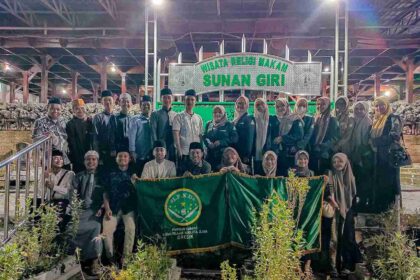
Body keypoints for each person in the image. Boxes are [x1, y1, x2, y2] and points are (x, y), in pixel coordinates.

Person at [327, 153, 362, 275]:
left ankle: (345, 266)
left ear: (345, 162)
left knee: (347, 238)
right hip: (334, 210)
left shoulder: (351, 177)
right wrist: (334, 202)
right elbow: (328, 191)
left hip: (348, 211)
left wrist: (350, 210)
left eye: (340, 161)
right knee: (334, 239)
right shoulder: (330, 175)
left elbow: (353, 195)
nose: (337, 164)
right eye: (335, 162)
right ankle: (333, 267)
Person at [101, 149, 137, 262]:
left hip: (129, 209)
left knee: (131, 229)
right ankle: (111, 258)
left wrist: (135, 183)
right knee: (106, 232)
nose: (122, 158)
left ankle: (126, 260)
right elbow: (105, 193)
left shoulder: (134, 173)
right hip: (113, 208)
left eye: (125, 156)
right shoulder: (110, 174)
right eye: (120, 156)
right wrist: (107, 208)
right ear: (116, 159)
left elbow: (139, 192)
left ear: (129, 159)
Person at [71, 151, 103, 276]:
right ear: (84, 162)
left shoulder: (102, 177)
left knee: (96, 228)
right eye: (88, 159)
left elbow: (106, 194)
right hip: (80, 210)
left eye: (94, 159)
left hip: (96, 210)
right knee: (71, 229)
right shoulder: (78, 176)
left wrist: (101, 207)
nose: (91, 162)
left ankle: (95, 261)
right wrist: (75, 208)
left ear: (97, 161)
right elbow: (73, 194)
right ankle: (77, 259)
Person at [370, 96, 402, 213]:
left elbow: (395, 135)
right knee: (380, 183)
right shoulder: (377, 119)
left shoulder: (393, 118)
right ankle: (380, 210)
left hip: (389, 157)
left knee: (390, 184)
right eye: (377, 105)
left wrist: (376, 141)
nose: (379, 107)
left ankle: (391, 212)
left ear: (387, 105)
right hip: (378, 157)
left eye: (382, 104)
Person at [266, 98, 304, 176]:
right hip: (276, 155)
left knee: (289, 178)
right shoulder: (272, 119)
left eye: (282, 105)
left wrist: (283, 138)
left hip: (290, 154)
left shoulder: (295, 119)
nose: (280, 108)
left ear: (287, 106)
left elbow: (299, 135)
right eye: (277, 106)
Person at [32, 97, 70, 167]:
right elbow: (35, 141)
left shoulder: (65, 121)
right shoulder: (40, 122)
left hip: (64, 159)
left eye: (58, 109)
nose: (55, 111)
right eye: (52, 108)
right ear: (47, 108)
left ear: (61, 109)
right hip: (48, 160)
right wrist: (47, 137)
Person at [350, 101, 373, 211]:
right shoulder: (353, 121)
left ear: (366, 110)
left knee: (364, 179)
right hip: (355, 154)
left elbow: (368, 141)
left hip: (364, 156)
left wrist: (361, 152)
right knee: (357, 179)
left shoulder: (368, 122)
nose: (359, 111)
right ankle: (357, 201)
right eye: (356, 108)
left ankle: (364, 202)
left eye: (361, 109)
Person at [44, 149, 75, 232]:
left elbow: (67, 191)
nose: (59, 160)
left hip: (63, 202)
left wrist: (53, 187)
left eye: (61, 158)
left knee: (57, 224)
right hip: (50, 202)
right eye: (56, 158)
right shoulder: (47, 174)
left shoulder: (69, 174)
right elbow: (41, 191)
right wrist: (45, 178)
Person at [172, 89, 203, 168]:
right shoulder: (178, 116)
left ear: (195, 101)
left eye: (192, 99)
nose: (190, 102)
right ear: (184, 101)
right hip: (184, 153)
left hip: (197, 154)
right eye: (187, 99)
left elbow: (200, 136)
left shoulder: (198, 118)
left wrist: (202, 151)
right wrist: (179, 150)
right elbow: (176, 135)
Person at [309, 97, 340, 175]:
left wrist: (322, 147)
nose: (320, 106)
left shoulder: (332, 120)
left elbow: (334, 137)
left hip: (325, 152)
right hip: (314, 151)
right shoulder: (316, 118)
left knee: (323, 175)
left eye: (323, 104)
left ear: (328, 106)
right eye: (318, 104)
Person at [66, 99, 94, 173]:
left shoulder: (90, 122)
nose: (80, 110)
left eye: (82, 108)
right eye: (77, 109)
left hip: (90, 156)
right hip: (77, 157)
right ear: (73, 110)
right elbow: (71, 142)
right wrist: (77, 158)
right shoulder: (70, 124)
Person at [150, 88, 177, 161]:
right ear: (161, 99)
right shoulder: (155, 114)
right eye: (164, 97)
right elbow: (153, 133)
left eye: (169, 97)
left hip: (172, 148)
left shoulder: (176, 115)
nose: (167, 100)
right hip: (160, 147)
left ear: (172, 99)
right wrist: (155, 148)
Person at [129, 95, 153, 175]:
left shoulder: (154, 119)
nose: (146, 106)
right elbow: (131, 137)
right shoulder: (135, 119)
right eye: (144, 105)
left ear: (151, 105)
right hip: (139, 154)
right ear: (140, 106)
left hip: (152, 154)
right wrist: (132, 151)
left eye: (148, 104)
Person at [92, 90, 115, 172]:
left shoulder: (116, 116)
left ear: (113, 101)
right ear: (102, 102)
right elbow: (95, 137)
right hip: (103, 153)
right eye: (105, 100)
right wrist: (98, 155)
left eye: (109, 100)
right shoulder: (98, 117)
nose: (108, 102)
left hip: (115, 153)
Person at [232, 96, 255, 164]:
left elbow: (250, 139)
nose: (240, 105)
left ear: (247, 106)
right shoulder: (235, 119)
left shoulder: (249, 119)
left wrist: (246, 155)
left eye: (243, 103)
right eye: (238, 103)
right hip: (235, 154)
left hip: (243, 157)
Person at [110, 93, 132, 157]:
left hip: (129, 149)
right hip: (118, 149)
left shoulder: (133, 118)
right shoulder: (114, 117)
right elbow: (111, 134)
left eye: (128, 101)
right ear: (119, 103)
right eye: (123, 101)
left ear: (130, 103)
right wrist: (113, 148)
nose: (125, 104)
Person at [253, 98, 269, 175]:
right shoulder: (253, 119)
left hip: (268, 151)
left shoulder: (271, 119)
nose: (260, 106)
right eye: (257, 105)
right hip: (256, 152)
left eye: (262, 104)